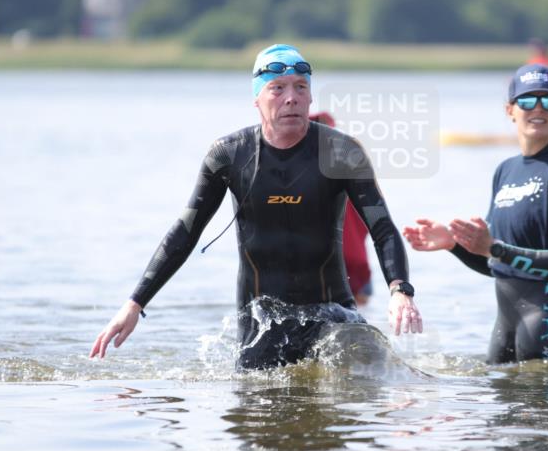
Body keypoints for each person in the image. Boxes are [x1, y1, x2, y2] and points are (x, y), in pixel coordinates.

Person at [91, 44, 422, 369]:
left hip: (334, 317)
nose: (291, 97)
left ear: (310, 97)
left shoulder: (342, 152)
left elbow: (382, 229)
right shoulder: (229, 155)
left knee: (366, 366)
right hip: (261, 327)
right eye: (277, 88)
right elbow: (185, 233)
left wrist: (400, 291)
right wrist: (134, 304)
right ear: (257, 98)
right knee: (256, 396)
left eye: (301, 87)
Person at [403, 64, 548, 364]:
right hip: (507, 318)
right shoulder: (505, 171)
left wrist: (493, 248)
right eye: (528, 100)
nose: (538, 108)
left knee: (540, 395)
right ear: (510, 110)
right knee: (495, 392)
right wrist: (454, 244)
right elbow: (496, 265)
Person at [308, 111, 373, 306]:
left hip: (328, 266)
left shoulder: (305, 174)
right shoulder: (351, 167)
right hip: (358, 263)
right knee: (358, 317)